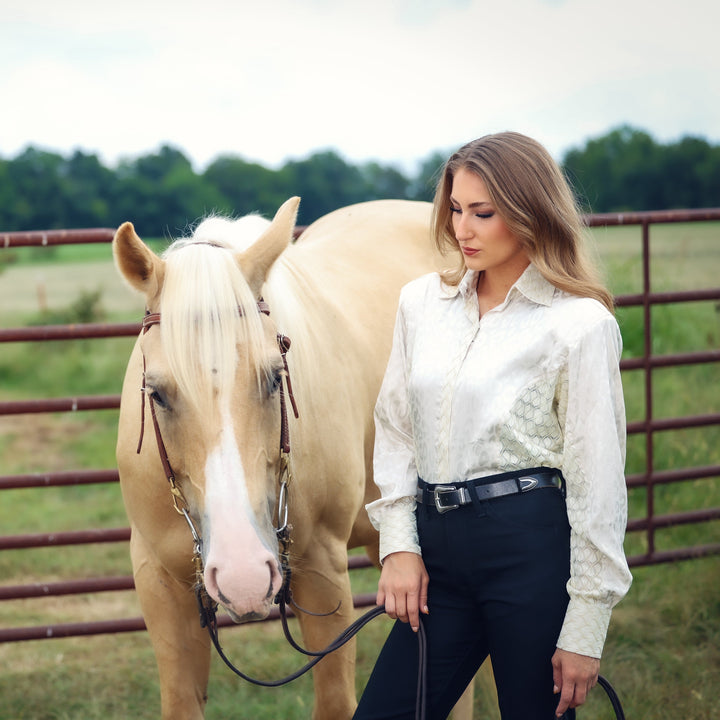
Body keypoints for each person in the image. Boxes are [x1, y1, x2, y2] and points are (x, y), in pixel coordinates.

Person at [353, 132, 632, 720]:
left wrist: (585, 625)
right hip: (438, 554)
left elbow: (597, 482)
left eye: (483, 213)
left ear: (531, 212)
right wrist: (398, 547)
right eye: (455, 209)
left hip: (529, 552)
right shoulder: (421, 304)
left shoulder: (579, 324)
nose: (463, 229)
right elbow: (397, 430)